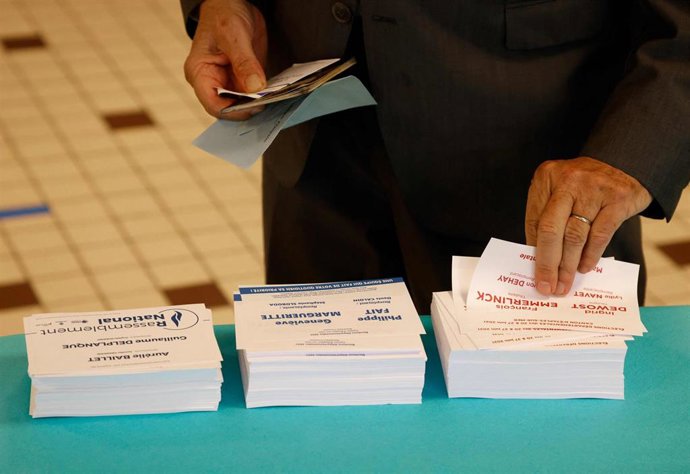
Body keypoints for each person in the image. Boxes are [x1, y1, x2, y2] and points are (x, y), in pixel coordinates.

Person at [181, 0, 690, 311]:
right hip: (313, 144)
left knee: (525, 443)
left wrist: (633, 153)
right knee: (327, 430)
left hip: (530, 177)